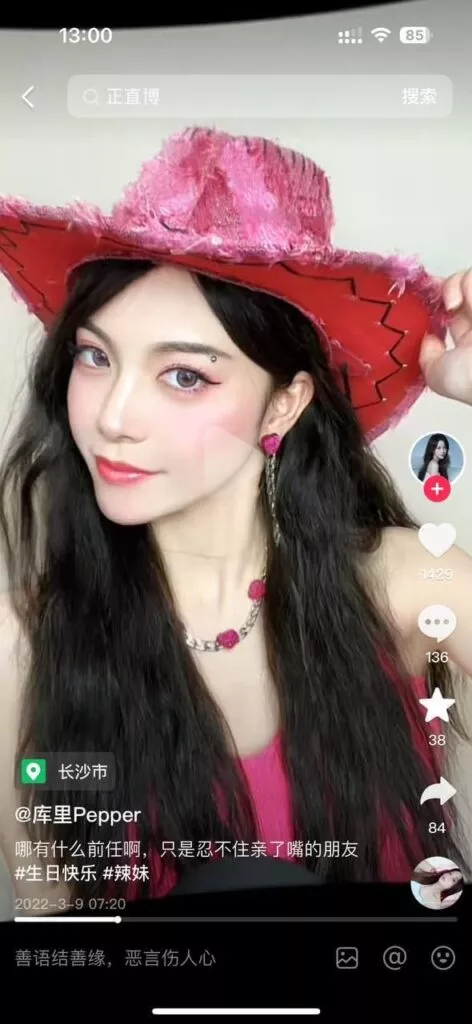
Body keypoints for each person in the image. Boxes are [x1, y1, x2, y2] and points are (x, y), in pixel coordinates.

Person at [0, 126, 471, 912]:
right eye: (95, 356)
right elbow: (52, 920)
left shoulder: (410, 585)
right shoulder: (21, 647)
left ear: (284, 403)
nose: (112, 417)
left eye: (184, 375)